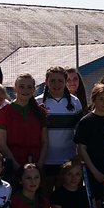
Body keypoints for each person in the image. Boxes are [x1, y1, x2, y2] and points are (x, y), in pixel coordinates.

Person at [37, 66, 82, 198]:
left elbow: (79, 132)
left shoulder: (75, 102)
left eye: (60, 81)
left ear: (65, 81)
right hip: (45, 160)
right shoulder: (38, 102)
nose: (56, 84)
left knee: (65, 201)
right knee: (45, 199)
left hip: (67, 160)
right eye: (52, 81)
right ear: (46, 81)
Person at [0, 72, 48, 183]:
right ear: (15, 88)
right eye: (21, 87)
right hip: (14, 162)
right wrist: (17, 167)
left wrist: (39, 164)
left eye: (29, 87)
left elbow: (44, 141)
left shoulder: (40, 112)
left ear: (34, 89)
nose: (25, 90)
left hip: (35, 163)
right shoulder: (4, 112)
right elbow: (2, 144)